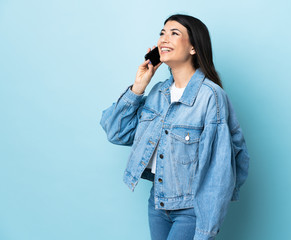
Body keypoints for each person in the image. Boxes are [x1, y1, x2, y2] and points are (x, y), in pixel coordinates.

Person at [100, 14, 250, 240]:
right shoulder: (157, 93)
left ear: (193, 48)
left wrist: (205, 231)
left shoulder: (210, 97)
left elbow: (219, 172)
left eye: (174, 33)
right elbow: (116, 132)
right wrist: (138, 87)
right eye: (162, 33)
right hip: (157, 204)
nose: (164, 39)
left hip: (192, 209)